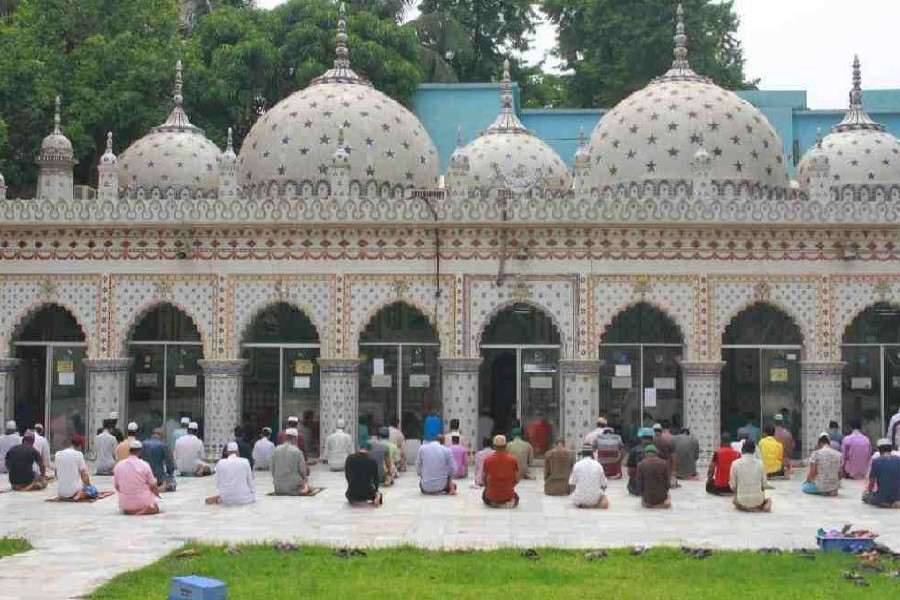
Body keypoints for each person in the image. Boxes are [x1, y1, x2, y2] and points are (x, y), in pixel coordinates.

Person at [113, 440, 161, 515]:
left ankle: (131, 510)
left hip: (125, 504)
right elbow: (153, 485)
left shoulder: (118, 465)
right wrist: (156, 492)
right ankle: (142, 511)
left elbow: (117, 487)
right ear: (140, 452)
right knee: (156, 507)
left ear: (129, 451)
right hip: (142, 503)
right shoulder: (144, 465)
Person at [729, 440, 772, 512]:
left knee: (734, 501)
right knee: (768, 500)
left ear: (742, 450)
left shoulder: (735, 463)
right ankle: (764, 504)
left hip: (741, 500)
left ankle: (742, 505)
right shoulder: (760, 463)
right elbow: (764, 484)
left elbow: (732, 486)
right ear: (754, 451)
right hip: (759, 501)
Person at [271, 428, 311, 496]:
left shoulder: (276, 450)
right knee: (307, 486)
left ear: (285, 437)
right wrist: (305, 479)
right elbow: (303, 471)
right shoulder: (297, 451)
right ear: (295, 438)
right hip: (294, 488)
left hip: (278, 488)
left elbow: (272, 469)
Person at [482, 435, 519, 508]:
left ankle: (496, 504)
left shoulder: (488, 459)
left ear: (494, 446)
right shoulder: (513, 459)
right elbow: (516, 479)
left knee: (484, 495)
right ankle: (507, 503)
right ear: (506, 446)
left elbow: (484, 479)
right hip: (508, 495)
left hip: (492, 496)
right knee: (516, 497)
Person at [863, 438, 900, 508]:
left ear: (879, 450)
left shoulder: (876, 461)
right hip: (898, 497)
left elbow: (871, 483)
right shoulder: (898, 460)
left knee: (865, 496)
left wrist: (868, 491)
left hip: (883, 499)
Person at [569, 444, 609, 509]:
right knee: (604, 496)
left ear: (582, 453)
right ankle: (592, 503)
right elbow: (604, 484)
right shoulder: (598, 465)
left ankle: (583, 503)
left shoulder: (577, 465)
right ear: (592, 453)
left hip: (579, 499)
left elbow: (571, 484)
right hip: (595, 500)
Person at [345, 441, 383, 507]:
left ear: (359, 448)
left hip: (352, 494)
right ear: (369, 450)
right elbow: (376, 479)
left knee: (350, 493)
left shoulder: (350, 458)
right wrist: (376, 490)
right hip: (368, 494)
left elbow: (347, 475)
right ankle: (377, 497)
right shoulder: (372, 461)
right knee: (379, 494)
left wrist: (351, 484)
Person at [54, 436, 93, 501]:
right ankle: (79, 494)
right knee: (93, 492)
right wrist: (89, 487)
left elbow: (56, 474)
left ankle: (75, 493)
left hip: (60, 492)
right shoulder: (78, 454)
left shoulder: (58, 454)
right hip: (74, 491)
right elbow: (84, 475)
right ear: (80, 446)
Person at [627, 428, 655, 495]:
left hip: (637, 488)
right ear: (652, 439)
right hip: (654, 488)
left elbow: (630, 471)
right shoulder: (657, 451)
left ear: (641, 438)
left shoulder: (634, 450)